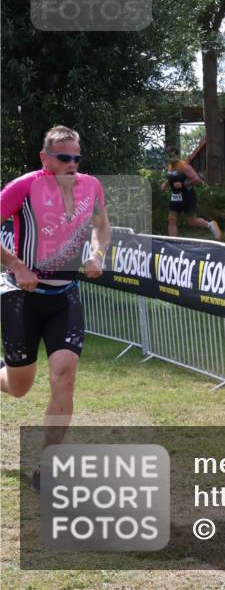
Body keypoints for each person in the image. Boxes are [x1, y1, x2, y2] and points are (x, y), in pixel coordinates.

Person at [0, 125, 110, 490]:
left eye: (77, 157)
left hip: (65, 294)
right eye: (64, 157)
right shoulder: (24, 186)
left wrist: (97, 253)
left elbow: (101, 225)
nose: (72, 164)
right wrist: (16, 266)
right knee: (19, 387)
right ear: (45, 158)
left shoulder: (90, 186)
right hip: (21, 297)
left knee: (65, 376)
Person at [161, 150, 221, 240]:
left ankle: (210, 225)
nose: (169, 159)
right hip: (175, 197)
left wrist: (183, 185)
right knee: (171, 220)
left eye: (171, 157)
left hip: (187, 196)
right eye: (168, 157)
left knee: (192, 221)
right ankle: (172, 242)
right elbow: (172, 177)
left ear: (177, 157)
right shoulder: (170, 166)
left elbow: (197, 180)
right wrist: (165, 184)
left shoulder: (184, 166)